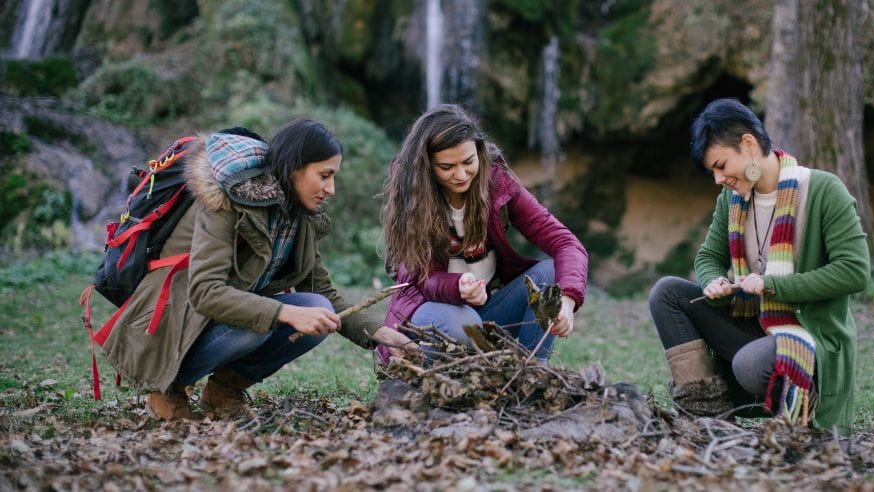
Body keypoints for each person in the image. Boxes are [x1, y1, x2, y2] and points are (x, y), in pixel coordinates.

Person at [99, 120, 414, 420]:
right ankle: (168, 388)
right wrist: (282, 313)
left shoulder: (297, 213)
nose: (330, 189)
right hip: (172, 322)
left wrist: (377, 333)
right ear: (293, 169)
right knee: (258, 323)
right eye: (324, 175)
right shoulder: (225, 201)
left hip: (217, 318)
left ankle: (223, 391)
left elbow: (322, 292)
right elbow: (205, 292)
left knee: (318, 308)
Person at [648, 98, 869, 431]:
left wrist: (772, 284)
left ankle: (807, 407)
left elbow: (854, 271)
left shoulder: (824, 190)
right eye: (713, 172)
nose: (718, 179)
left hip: (809, 339)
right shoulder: (732, 200)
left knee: (749, 363)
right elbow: (709, 257)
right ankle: (705, 413)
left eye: (721, 165)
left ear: (749, 145)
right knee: (667, 293)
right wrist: (712, 281)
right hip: (755, 325)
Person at [380, 104, 588, 361]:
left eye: (468, 162)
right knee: (463, 321)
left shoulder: (498, 184)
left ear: (479, 152)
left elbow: (566, 243)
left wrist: (566, 300)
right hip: (428, 313)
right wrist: (459, 288)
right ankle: (425, 374)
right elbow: (424, 279)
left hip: (487, 312)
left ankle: (531, 371)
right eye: (446, 167)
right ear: (427, 167)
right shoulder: (411, 197)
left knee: (549, 273)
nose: (460, 174)